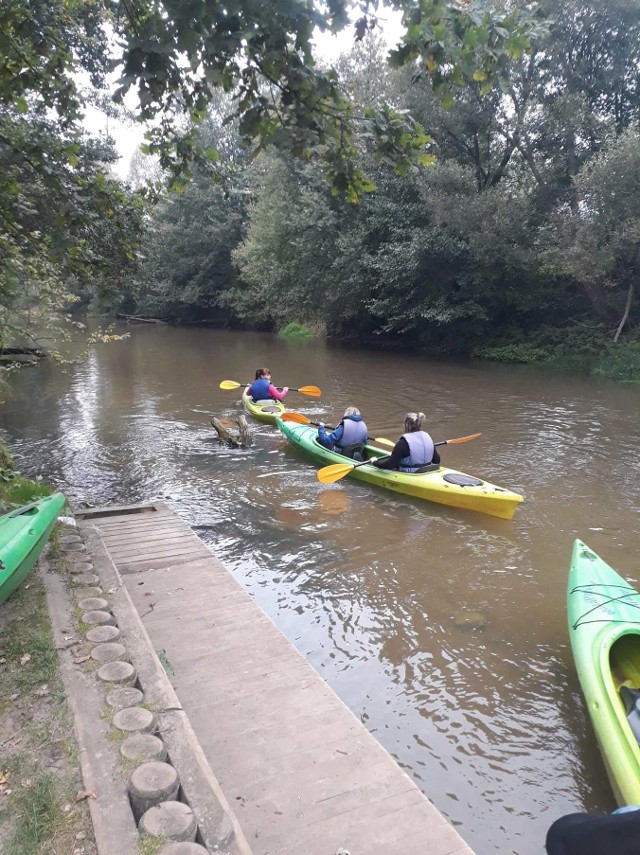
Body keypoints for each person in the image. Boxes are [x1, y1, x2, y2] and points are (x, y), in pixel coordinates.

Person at [372, 411, 440, 472]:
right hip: (428, 470)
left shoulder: (403, 443)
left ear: (406, 425)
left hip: (412, 473)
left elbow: (390, 465)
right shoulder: (428, 437)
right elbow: (436, 460)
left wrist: (375, 463)